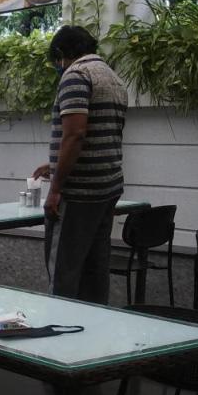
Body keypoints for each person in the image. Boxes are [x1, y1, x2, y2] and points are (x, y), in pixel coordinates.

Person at [33, 25, 128, 304]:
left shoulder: (76, 75)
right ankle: (93, 337)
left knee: (64, 273)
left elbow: (75, 134)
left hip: (79, 193)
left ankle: (60, 339)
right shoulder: (113, 78)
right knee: (95, 271)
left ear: (62, 53)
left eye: (56, 59)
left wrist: (56, 188)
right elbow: (103, 135)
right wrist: (54, 163)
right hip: (107, 188)